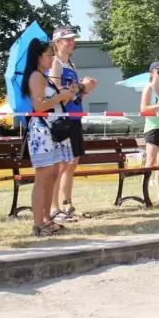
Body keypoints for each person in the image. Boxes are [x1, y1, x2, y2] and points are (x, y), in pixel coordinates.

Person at [22, 38, 78, 235]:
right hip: (43, 131)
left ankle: (47, 218)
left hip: (54, 129)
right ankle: (39, 223)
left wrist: (65, 94)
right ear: (39, 57)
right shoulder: (36, 77)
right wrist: (60, 97)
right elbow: (39, 107)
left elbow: (50, 101)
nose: (52, 58)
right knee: (43, 177)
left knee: (53, 175)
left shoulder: (44, 77)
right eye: (49, 55)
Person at [48, 27, 97, 221]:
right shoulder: (56, 63)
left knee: (72, 164)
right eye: (67, 40)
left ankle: (67, 205)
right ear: (57, 43)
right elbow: (57, 93)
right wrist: (80, 87)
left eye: (72, 40)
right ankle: (54, 208)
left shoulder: (72, 65)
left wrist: (87, 90)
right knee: (60, 165)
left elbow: (76, 98)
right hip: (62, 119)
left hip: (75, 118)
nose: (71, 43)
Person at [140, 61, 159, 201]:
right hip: (152, 127)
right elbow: (143, 109)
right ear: (152, 73)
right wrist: (158, 106)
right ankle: (145, 192)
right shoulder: (149, 88)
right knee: (150, 161)